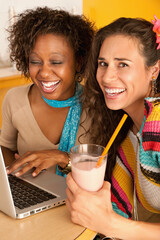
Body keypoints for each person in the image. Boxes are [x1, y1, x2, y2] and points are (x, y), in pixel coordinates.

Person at [66, 16, 160, 240]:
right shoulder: (129, 133)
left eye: (123, 64)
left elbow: (113, 221)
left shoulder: (157, 124)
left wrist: (110, 223)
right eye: (102, 63)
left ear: (154, 70)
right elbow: (118, 208)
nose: (107, 76)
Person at [0, 7, 94, 177]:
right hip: (32, 198)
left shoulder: (97, 106)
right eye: (35, 61)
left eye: (56, 62)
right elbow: (5, 147)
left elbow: (103, 168)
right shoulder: (14, 100)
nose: (43, 72)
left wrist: (62, 158)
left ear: (79, 62)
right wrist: (15, 174)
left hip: (82, 201)